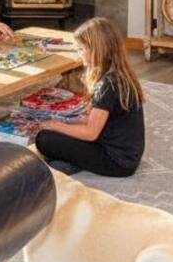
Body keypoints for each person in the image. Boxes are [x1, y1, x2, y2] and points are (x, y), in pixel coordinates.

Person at [34, 17, 145, 177]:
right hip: (127, 155)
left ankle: (72, 164)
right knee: (63, 133)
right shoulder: (120, 76)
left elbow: (90, 133)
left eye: (81, 49)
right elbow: (97, 121)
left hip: (117, 162)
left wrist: (57, 126)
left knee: (44, 139)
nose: (79, 54)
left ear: (97, 50)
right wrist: (67, 120)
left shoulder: (107, 85)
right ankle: (72, 161)